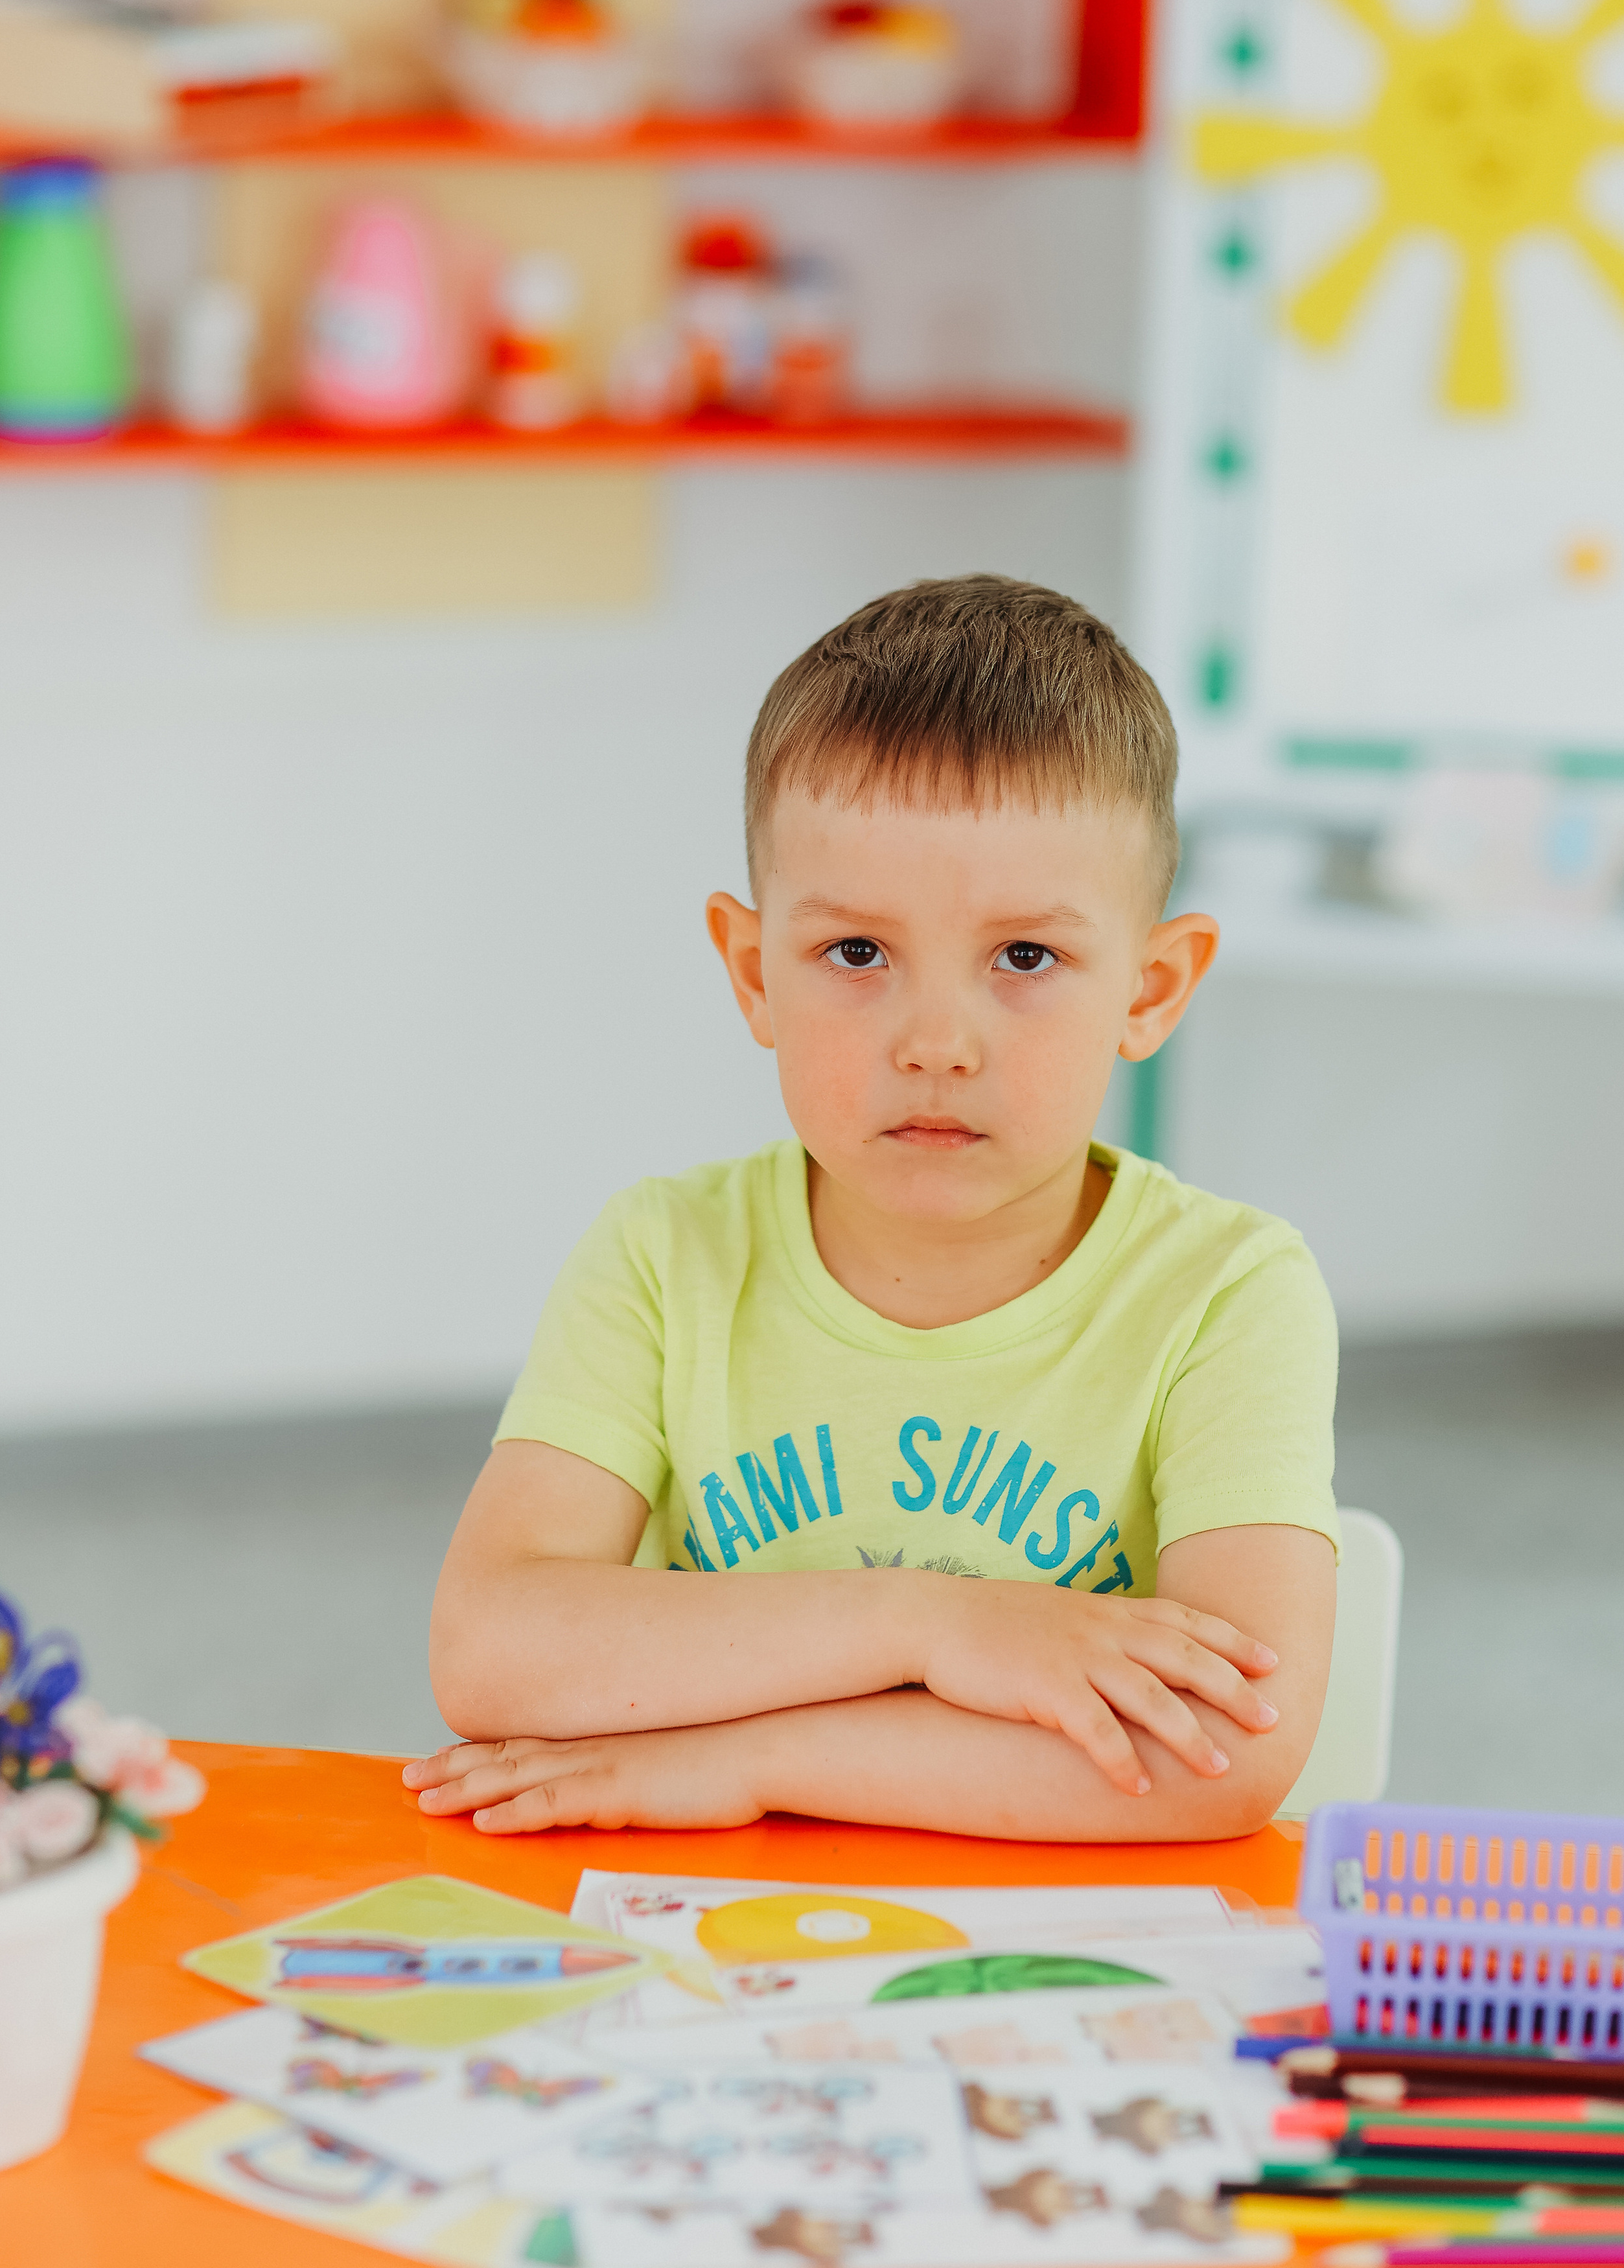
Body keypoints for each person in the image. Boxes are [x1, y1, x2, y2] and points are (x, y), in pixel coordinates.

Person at [405, 577, 1338, 1841]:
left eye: (1024, 958)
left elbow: (1221, 1758)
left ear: (1150, 987)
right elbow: (488, 1652)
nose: (936, 1043)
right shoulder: (661, 1255)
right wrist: (935, 1624)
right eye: (855, 955)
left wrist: (746, 1765)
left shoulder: (1229, 1291)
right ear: (753, 975)